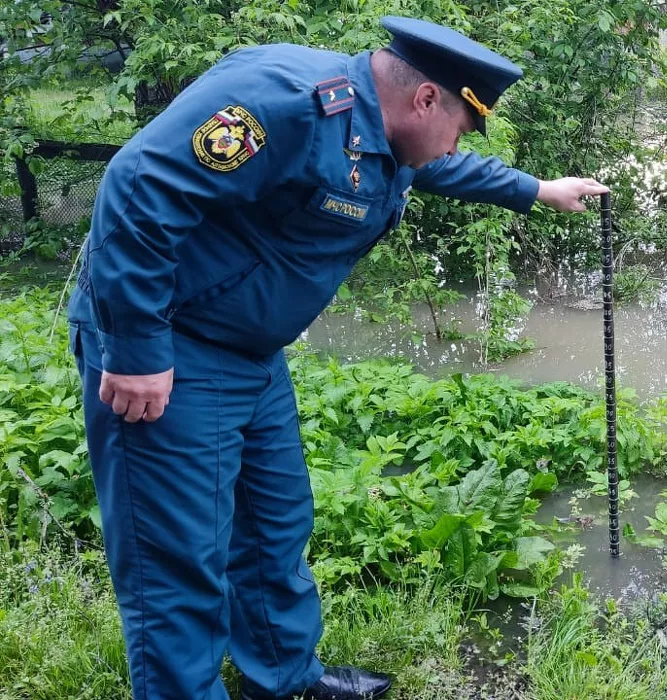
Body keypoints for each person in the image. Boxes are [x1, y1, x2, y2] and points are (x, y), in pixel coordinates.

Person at [66, 15, 608, 700]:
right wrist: (137, 347)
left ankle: (285, 679)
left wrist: (535, 189)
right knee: (178, 561)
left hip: (250, 354)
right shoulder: (284, 103)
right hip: (172, 346)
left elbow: (438, 168)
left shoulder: (382, 131)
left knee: (273, 525)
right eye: (463, 127)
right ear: (426, 100)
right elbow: (139, 184)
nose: (455, 145)